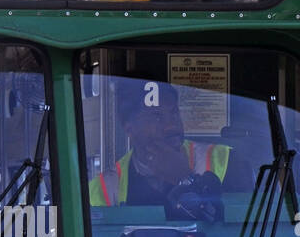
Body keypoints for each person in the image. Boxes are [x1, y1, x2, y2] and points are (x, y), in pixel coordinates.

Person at [88, 83, 243, 208]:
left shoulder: (227, 162)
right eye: (157, 117)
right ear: (129, 128)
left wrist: (184, 178)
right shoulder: (104, 188)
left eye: (174, 113)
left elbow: (240, 231)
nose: (172, 126)